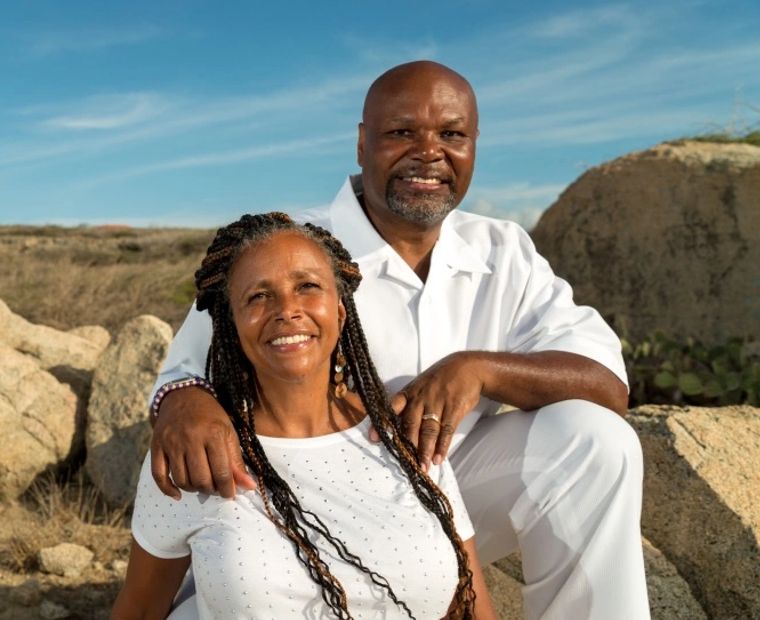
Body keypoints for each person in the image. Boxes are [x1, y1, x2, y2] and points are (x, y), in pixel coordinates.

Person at [147, 61, 648, 619]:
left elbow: (605, 383)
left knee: (596, 440)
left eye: (452, 134)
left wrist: (477, 369)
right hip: (283, 520)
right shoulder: (291, 250)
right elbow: (180, 380)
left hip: (438, 508)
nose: (429, 152)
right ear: (363, 144)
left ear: (474, 146)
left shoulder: (502, 248)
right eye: (402, 132)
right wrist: (186, 401)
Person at [113, 212, 497, 619]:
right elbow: (139, 609)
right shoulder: (196, 450)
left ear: (341, 311)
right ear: (231, 323)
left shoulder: (405, 436)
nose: (287, 310)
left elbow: (469, 605)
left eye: (307, 287)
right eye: (258, 296)